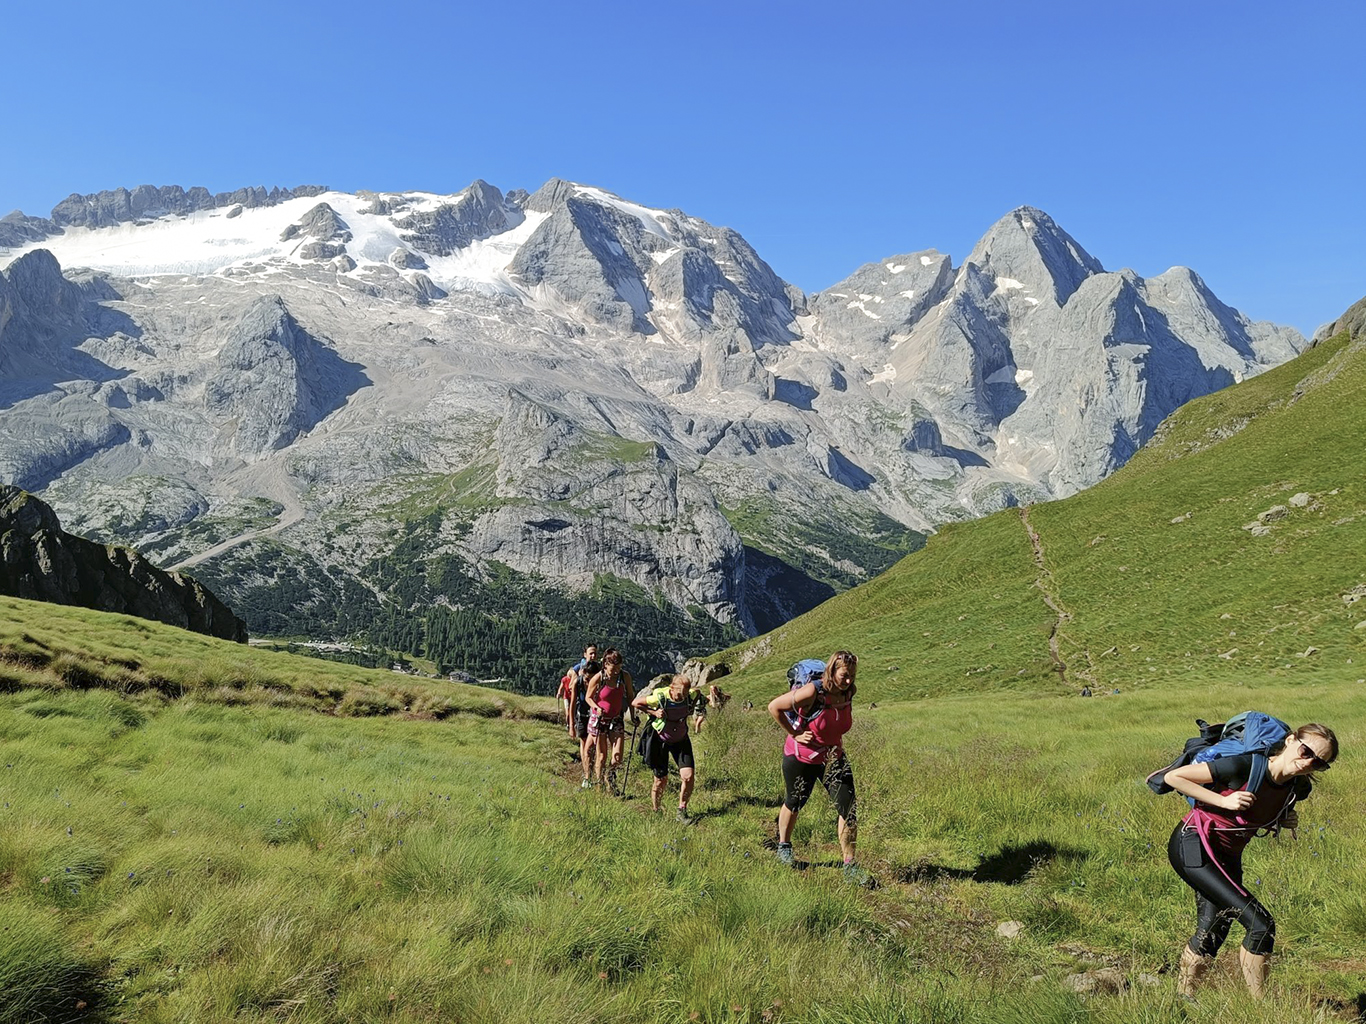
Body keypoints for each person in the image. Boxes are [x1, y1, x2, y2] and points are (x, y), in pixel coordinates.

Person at [1161, 722, 1338, 999]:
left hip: (1228, 857)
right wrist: (1223, 802)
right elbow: (1175, 778)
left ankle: (1184, 997)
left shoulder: (1298, 788)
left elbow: (1265, 807)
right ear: (1291, 741)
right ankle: (1259, 1007)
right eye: (1306, 751)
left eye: (1318, 763)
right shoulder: (1243, 766)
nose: (1308, 762)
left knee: (1215, 927)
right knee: (1261, 924)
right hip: (1194, 846)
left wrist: (1285, 817)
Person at [767, 650, 868, 884]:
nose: (849, 680)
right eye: (844, 675)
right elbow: (774, 707)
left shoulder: (849, 693)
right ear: (832, 671)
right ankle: (784, 845)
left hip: (833, 757)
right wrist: (795, 733)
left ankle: (850, 866)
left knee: (848, 809)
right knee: (794, 802)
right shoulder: (812, 692)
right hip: (801, 757)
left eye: (853, 675)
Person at [631, 673, 707, 822]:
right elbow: (636, 703)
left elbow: (697, 692)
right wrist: (653, 712)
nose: (684, 696)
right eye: (681, 692)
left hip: (681, 740)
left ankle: (682, 810)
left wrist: (691, 706)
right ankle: (656, 810)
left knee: (688, 776)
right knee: (660, 779)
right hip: (660, 740)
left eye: (686, 692)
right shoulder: (660, 698)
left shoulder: (689, 695)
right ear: (672, 688)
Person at [586, 648, 635, 794]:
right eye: (614, 668)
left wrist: (633, 716)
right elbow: (589, 697)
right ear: (606, 664)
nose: (616, 671)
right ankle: (599, 786)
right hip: (600, 719)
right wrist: (596, 707)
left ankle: (610, 776)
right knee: (601, 756)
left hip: (616, 718)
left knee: (618, 756)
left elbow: (630, 696)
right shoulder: (599, 678)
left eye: (619, 667)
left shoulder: (624, 677)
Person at [569, 644, 600, 789]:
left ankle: (591, 772)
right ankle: (587, 772)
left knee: (591, 745)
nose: (593, 656)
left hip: (595, 715)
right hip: (583, 715)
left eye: (595, 653)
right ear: (585, 654)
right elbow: (573, 704)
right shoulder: (578, 677)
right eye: (591, 653)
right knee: (585, 743)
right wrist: (571, 725)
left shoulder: (599, 672)